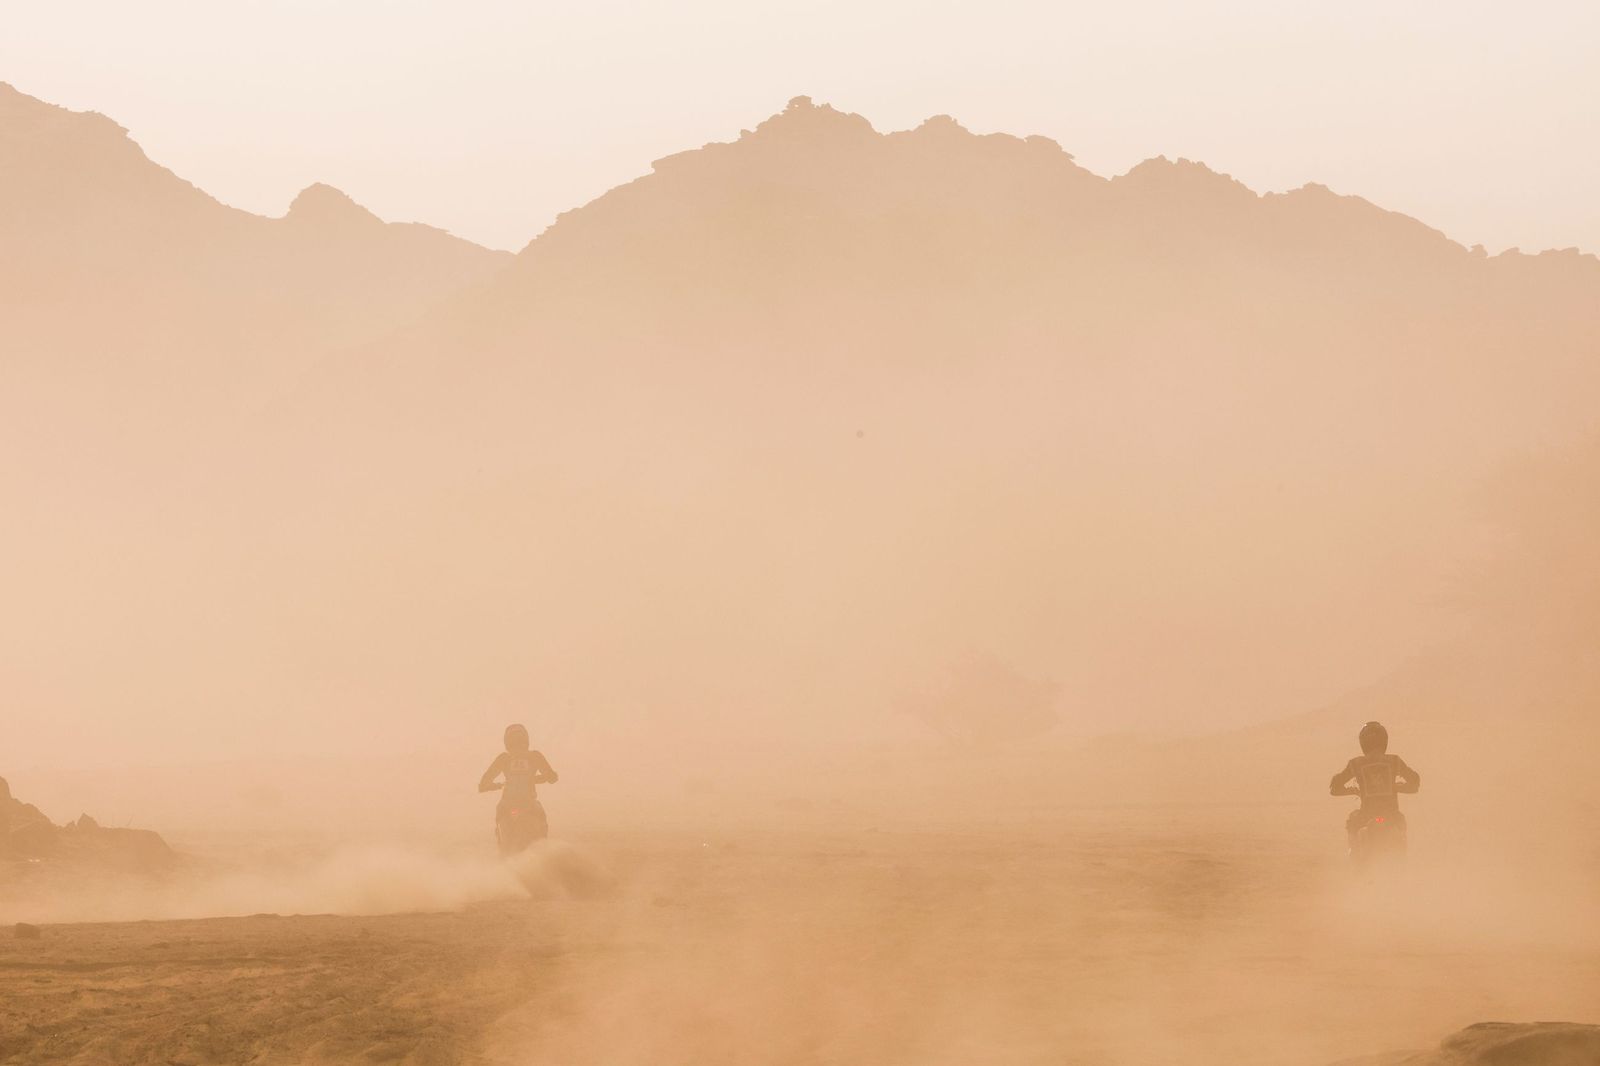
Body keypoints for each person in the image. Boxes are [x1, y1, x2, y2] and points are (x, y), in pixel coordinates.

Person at [1329, 721, 1420, 851]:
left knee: (1352, 824)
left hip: (1366, 815)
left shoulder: (1356, 763)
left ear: (1363, 743)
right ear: (1384, 741)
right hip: (1391, 815)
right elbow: (1414, 783)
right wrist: (1397, 787)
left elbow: (1335, 787)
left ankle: (1354, 858)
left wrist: (1353, 791)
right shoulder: (1394, 761)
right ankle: (1401, 856)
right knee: (1401, 824)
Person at [478, 724, 558, 854]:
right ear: (526, 739)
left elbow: (484, 783)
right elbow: (552, 778)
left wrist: (494, 786)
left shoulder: (504, 758)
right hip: (529, 804)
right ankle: (543, 853)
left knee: (500, 829)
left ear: (507, 742)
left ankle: (503, 851)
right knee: (542, 826)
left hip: (507, 804)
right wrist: (538, 778)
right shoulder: (534, 756)